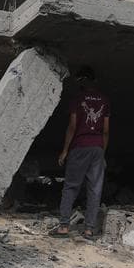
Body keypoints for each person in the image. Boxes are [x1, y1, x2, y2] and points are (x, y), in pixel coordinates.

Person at [51, 67, 109, 240]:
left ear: (81, 82)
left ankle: (63, 227)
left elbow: (72, 127)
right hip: (97, 148)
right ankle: (89, 230)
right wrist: (102, 153)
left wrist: (64, 150)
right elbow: (106, 131)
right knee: (95, 189)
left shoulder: (78, 99)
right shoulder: (105, 100)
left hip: (80, 146)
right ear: (95, 80)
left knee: (71, 186)